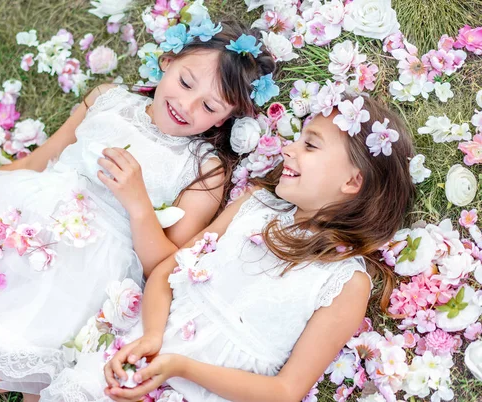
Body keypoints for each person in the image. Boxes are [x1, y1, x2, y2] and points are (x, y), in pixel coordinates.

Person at [0, 21, 277, 400]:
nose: (186, 105)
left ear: (227, 119)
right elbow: (36, 162)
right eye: (186, 82)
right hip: (4, 226)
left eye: (209, 106)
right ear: (168, 61)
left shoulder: (204, 169)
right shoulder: (108, 100)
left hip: (62, 281)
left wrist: (138, 204)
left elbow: (165, 269)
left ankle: (13, 362)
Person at [39, 95, 416, 402]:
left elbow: (285, 392)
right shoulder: (255, 206)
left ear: (352, 181)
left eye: (310, 145)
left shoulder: (345, 282)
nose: (288, 149)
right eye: (297, 138)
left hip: (204, 388)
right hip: (141, 349)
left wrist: (180, 367)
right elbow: (166, 274)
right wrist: (152, 337)